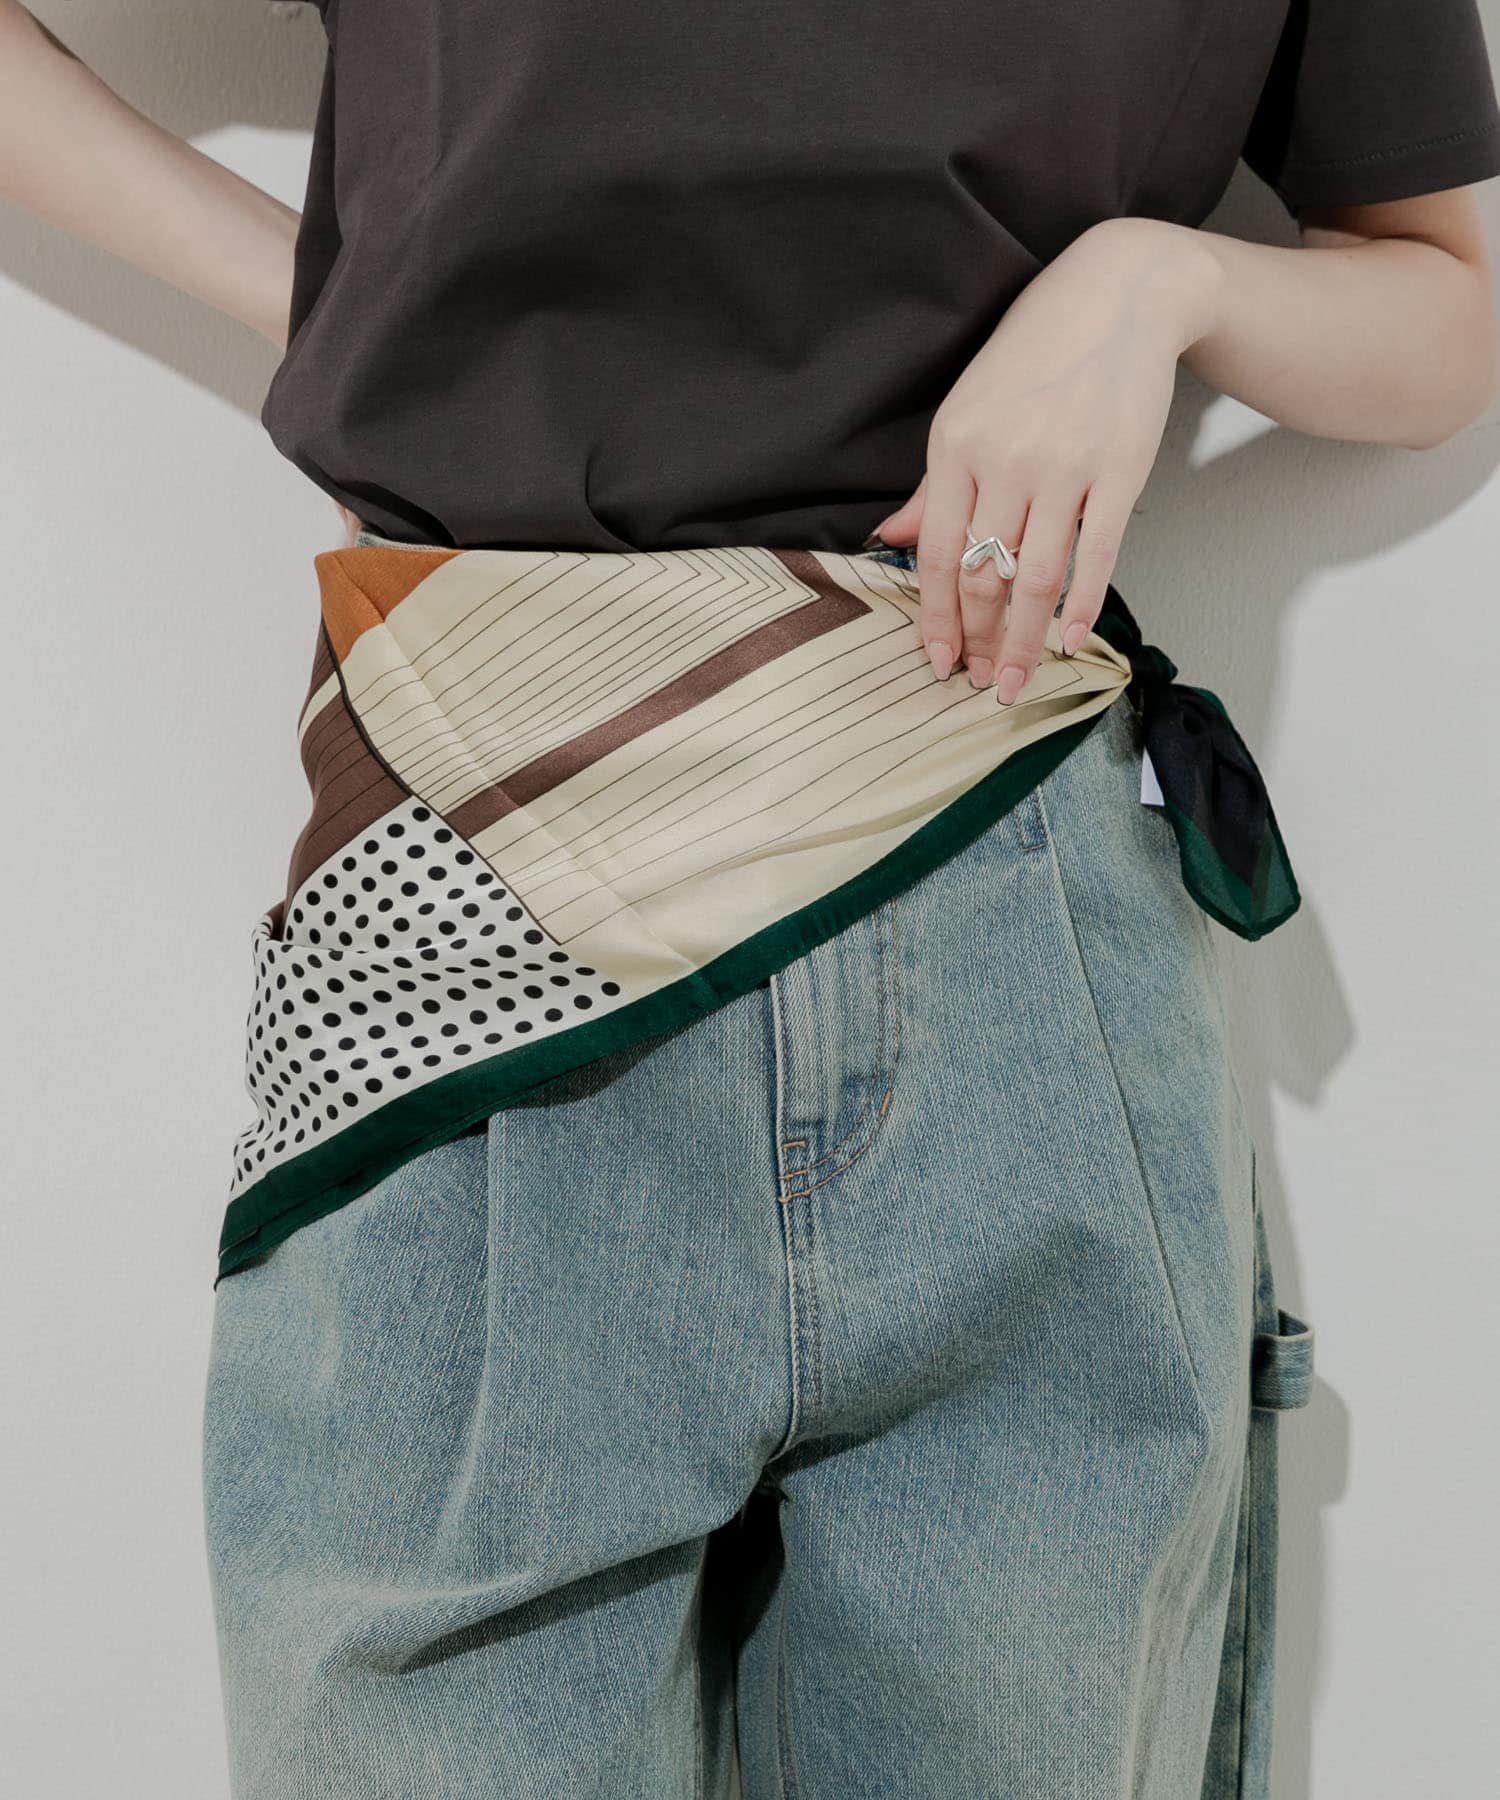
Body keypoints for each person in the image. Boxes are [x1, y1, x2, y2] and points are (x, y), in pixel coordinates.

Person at [3, 3, 1497, 1795]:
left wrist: (1161, 284)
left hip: (1008, 934)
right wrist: (328, 301)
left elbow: (1447, 304)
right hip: (479, 911)